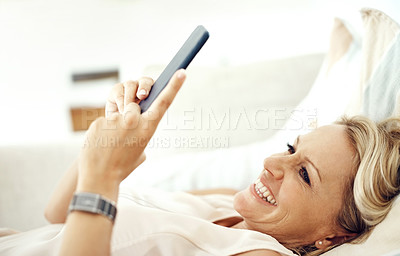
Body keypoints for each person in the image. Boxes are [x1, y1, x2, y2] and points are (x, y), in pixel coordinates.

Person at [0, 69, 399, 256]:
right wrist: (106, 139)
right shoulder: (226, 203)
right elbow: (57, 217)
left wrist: (102, 175)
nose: (274, 162)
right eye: (293, 149)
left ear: (332, 237)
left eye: (304, 174)